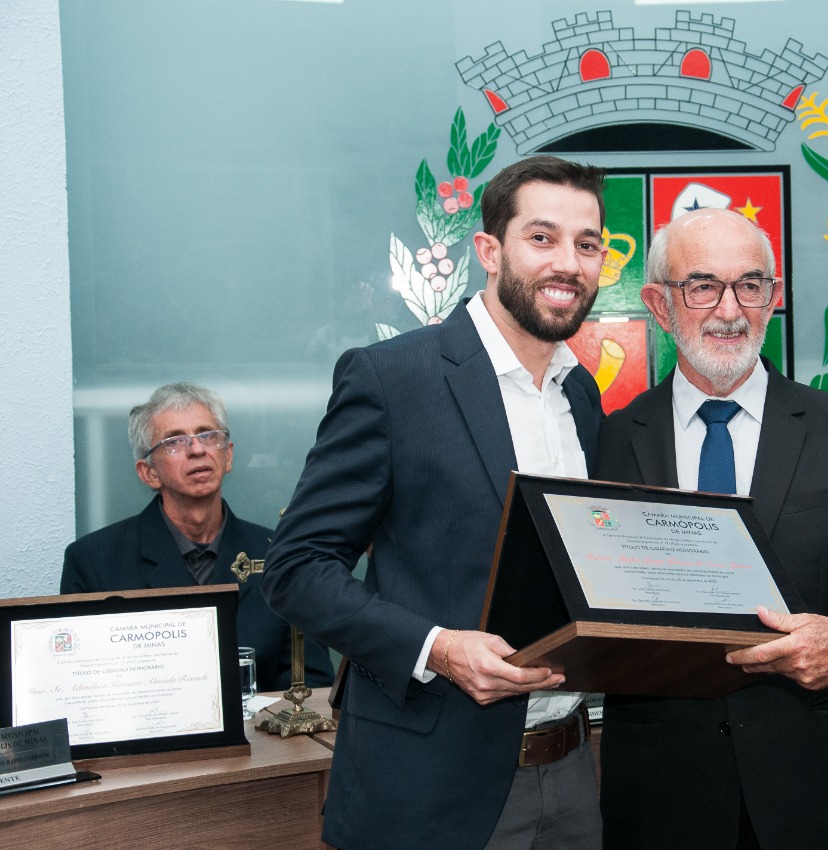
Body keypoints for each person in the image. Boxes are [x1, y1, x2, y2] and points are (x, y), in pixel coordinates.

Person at [261, 155, 609, 850]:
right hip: (428, 786)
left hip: (572, 772)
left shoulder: (580, 393)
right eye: (542, 238)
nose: (568, 263)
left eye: (587, 243)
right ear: (489, 250)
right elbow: (297, 568)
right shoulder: (393, 378)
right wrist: (439, 649)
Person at [595, 208, 828, 850]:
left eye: (750, 285)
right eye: (703, 286)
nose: (730, 310)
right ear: (659, 304)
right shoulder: (612, 440)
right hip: (660, 800)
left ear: (773, 296)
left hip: (814, 794)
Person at [60, 381, 334, 691]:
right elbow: (81, 684)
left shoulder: (280, 554)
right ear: (149, 472)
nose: (197, 449)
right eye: (174, 441)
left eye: (208, 435)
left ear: (228, 456)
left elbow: (309, 684)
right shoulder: (94, 562)